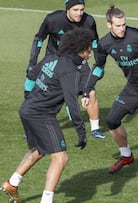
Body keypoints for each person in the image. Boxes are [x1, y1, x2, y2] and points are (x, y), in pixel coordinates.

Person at [0, 28, 92, 203]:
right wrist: (81, 131)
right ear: (82, 48)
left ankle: (12, 183)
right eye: (89, 48)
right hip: (42, 115)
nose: (91, 52)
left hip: (27, 109)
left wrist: (29, 98)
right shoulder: (71, 70)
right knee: (61, 158)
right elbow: (72, 104)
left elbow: (32, 75)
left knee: (39, 150)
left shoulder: (52, 57)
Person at [81, 4, 138, 175]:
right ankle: (126, 155)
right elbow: (99, 67)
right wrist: (87, 89)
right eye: (118, 25)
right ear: (109, 25)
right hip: (134, 87)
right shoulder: (104, 44)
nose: (122, 28)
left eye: (124, 24)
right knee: (112, 120)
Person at [24, 0, 106, 139]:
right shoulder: (52, 19)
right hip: (54, 58)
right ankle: (33, 127)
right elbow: (39, 39)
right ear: (67, 9)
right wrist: (32, 62)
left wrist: (99, 64)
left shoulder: (89, 21)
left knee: (90, 90)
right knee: (43, 94)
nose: (79, 13)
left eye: (82, 9)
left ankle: (95, 129)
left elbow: (95, 42)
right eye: (75, 10)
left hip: (78, 59)